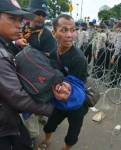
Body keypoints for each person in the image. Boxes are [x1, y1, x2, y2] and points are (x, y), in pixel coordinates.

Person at [0, 0, 56, 150]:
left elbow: (52, 59)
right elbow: (18, 98)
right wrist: (56, 109)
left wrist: (17, 46)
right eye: (12, 18)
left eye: (20, 19)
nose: (19, 24)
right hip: (7, 117)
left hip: (27, 91)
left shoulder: (46, 36)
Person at [39, 14, 89, 150]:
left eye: (73, 30)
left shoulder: (78, 59)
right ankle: (47, 139)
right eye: (64, 30)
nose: (69, 35)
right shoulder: (55, 51)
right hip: (59, 101)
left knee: (73, 132)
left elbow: (73, 89)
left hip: (77, 102)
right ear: (54, 33)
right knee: (50, 125)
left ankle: (66, 148)